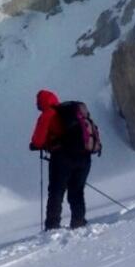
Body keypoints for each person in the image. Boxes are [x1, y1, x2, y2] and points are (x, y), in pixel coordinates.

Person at [29, 89, 91, 229]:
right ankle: (79, 221)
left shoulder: (48, 114)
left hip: (62, 158)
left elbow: (38, 140)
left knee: (56, 191)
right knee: (76, 191)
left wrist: (35, 145)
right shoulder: (71, 112)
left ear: (42, 102)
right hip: (84, 156)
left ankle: (52, 225)